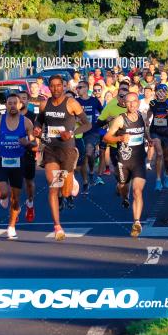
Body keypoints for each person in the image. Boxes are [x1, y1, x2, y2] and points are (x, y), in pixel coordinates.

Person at [33, 75, 91, 241]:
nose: (56, 88)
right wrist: (37, 129)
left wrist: (72, 133)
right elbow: (39, 122)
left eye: (59, 86)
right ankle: (57, 226)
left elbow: (87, 124)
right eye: (52, 86)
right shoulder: (45, 104)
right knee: (53, 187)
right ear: (49, 87)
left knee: (65, 193)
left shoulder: (71, 103)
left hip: (67, 151)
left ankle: (71, 181)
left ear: (64, 87)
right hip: (51, 149)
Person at [103, 93, 153, 237]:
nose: (131, 104)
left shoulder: (142, 117)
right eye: (128, 102)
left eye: (134, 101)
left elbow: (145, 131)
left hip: (138, 161)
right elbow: (106, 138)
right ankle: (125, 197)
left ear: (138, 103)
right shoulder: (120, 120)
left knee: (138, 191)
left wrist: (149, 139)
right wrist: (119, 138)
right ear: (125, 104)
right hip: (123, 161)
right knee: (122, 186)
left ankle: (136, 222)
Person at [0, 95, 35, 239]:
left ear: (20, 105)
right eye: (10, 103)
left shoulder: (26, 122)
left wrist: (27, 142)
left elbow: (34, 144)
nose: (12, 106)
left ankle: (11, 226)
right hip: (2, 160)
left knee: (15, 198)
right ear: (6, 105)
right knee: (3, 193)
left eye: (15, 103)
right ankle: (3, 197)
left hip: (18, 161)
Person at [147, 84, 168, 191]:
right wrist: (147, 119)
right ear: (155, 92)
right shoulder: (152, 103)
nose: (160, 93)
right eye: (158, 91)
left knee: (166, 158)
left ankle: (167, 174)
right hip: (155, 132)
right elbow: (149, 112)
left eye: (163, 91)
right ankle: (158, 180)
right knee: (159, 154)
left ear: (166, 92)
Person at [75, 80, 104, 191]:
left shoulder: (94, 100)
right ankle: (85, 179)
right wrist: (77, 119)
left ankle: (91, 171)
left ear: (86, 88)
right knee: (82, 156)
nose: (78, 89)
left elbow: (102, 112)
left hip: (92, 131)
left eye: (80, 87)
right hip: (79, 131)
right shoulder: (75, 101)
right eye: (77, 87)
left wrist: (103, 123)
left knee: (89, 151)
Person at [16, 90, 40, 222]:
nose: (22, 101)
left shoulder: (33, 117)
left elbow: (37, 135)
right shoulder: (9, 116)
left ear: (28, 101)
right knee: (14, 182)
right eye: (19, 98)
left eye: (24, 98)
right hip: (12, 152)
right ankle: (16, 207)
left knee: (29, 182)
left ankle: (30, 203)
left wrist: (36, 147)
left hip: (29, 151)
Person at [97, 88, 129, 176]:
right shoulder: (110, 107)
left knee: (126, 171)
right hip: (114, 143)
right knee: (119, 171)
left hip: (129, 143)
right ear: (117, 97)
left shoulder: (132, 108)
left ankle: (124, 186)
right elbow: (99, 123)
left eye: (126, 96)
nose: (124, 98)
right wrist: (106, 120)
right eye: (121, 96)